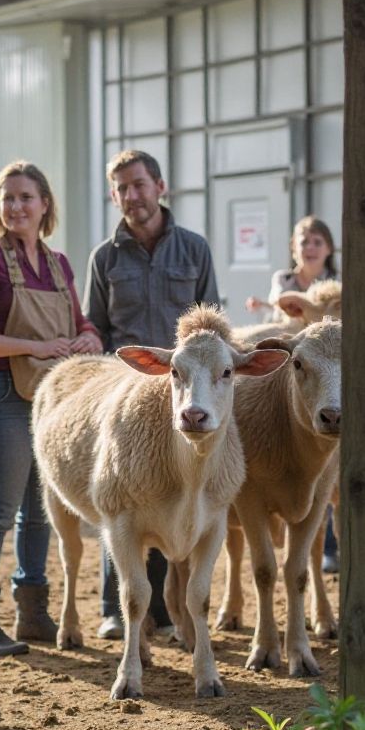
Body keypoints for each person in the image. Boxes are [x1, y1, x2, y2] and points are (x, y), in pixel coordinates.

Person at [0, 161, 102, 657]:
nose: (16, 206)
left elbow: (82, 322)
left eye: (25, 197)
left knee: (42, 513)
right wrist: (35, 346)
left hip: (57, 403)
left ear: (45, 204)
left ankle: (34, 612)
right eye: (7, 198)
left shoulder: (59, 263)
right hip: (4, 394)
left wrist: (87, 337)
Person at [83, 148, 220, 640]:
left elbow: (212, 326)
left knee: (174, 493)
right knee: (120, 495)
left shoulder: (194, 249)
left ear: (160, 186)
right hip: (127, 395)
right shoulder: (104, 257)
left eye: (139, 185)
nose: (131, 196)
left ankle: (164, 613)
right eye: (121, 188)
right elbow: (95, 329)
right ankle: (115, 610)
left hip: (187, 392)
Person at [245, 214, 340, 572]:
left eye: (317, 241)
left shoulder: (338, 285)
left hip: (330, 373)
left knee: (326, 472)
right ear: (293, 248)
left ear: (328, 248)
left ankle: (327, 544)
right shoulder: (284, 281)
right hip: (296, 369)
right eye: (303, 241)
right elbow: (280, 309)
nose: (310, 247)